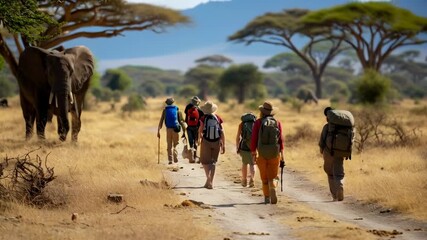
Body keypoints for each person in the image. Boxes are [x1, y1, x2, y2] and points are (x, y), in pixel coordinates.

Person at [250, 101, 285, 204]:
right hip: (275, 153)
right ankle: (273, 186)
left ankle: (266, 197)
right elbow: (280, 141)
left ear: (262, 112)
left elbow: (254, 139)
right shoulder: (277, 123)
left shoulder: (258, 122)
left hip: (262, 154)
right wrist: (282, 155)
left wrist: (253, 153)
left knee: (264, 178)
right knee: (273, 176)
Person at [319, 107, 345, 201]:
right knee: (339, 173)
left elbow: (322, 142)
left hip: (328, 152)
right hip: (340, 152)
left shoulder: (327, 127)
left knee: (330, 173)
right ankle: (340, 186)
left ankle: (335, 196)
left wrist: (322, 150)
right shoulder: (343, 127)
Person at [198, 101, 225, 189]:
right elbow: (222, 131)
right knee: (213, 162)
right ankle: (211, 183)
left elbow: (200, 130)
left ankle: (208, 179)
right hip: (217, 141)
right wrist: (223, 144)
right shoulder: (218, 118)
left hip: (206, 141)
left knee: (205, 162)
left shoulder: (203, 118)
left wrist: (199, 138)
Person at [157, 97, 186, 164]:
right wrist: (184, 131)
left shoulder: (165, 110)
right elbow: (181, 121)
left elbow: (161, 120)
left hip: (168, 129)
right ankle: (175, 157)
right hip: (176, 129)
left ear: (166, 103)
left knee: (169, 144)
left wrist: (158, 130)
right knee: (175, 144)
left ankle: (170, 159)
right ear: (173, 102)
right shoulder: (177, 110)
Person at [236, 112, 256, 187]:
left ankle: (244, 180)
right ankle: (252, 179)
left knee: (244, 163)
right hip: (254, 146)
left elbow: (238, 137)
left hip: (244, 146)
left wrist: (237, 147)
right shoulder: (256, 124)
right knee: (252, 164)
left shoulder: (241, 124)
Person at [184, 96, 204, 162]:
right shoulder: (199, 109)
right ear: (197, 102)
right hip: (197, 127)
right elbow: (202, 118)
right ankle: (195, 157)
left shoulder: (187, 107)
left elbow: (186, 117)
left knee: (191, 142)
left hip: (189, 126)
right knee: (196, 141)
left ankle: (191, 157)